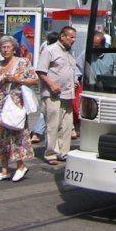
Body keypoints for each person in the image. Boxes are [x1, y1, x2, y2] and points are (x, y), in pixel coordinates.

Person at [0, 35, 38, 183]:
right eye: (3, 47)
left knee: (17, 134)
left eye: (8, 47)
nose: (5, 50)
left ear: (14, 48)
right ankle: (4, 170)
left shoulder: (23, 62)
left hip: (17, 104)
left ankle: (20, 166)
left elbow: (35, 79)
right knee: (0, 136)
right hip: (1, 105)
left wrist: (20, 80)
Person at [36, 26, 77, 166]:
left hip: (67, 94)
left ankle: (63, 152)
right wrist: (51, 84)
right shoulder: (50, 50)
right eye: (71, 37)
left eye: (74, 37)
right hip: (52, 94)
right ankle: (51, 153)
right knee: (52, 124)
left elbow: (70, 70)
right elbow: (40, 71)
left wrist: (74, 82)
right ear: (62, 36)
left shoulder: (70, 52)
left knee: (66, 125)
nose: (73, 40)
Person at [30, 31, 58, 144]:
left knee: (50, 110)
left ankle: (38, 132)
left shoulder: (44, 46)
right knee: (48, 109)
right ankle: (38, 132)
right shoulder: (50, 50)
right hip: (50, 84)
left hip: (50, 84)